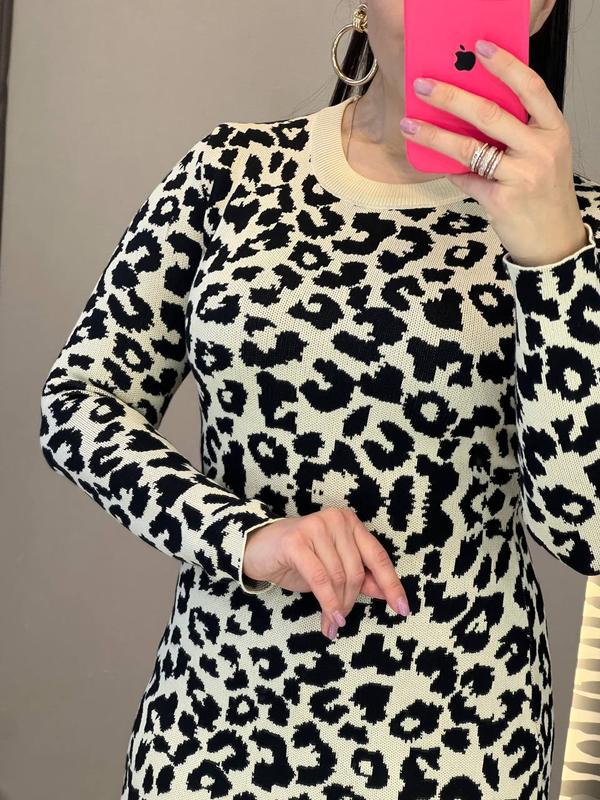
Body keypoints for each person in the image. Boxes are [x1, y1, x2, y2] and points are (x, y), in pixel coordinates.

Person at [39, 1, 600, 797]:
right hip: (214, 730)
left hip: (460, 745)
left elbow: (586, 530)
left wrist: (554, 259)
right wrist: (243, 536)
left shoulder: (581, 229)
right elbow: (78, 404)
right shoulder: (230, 172)